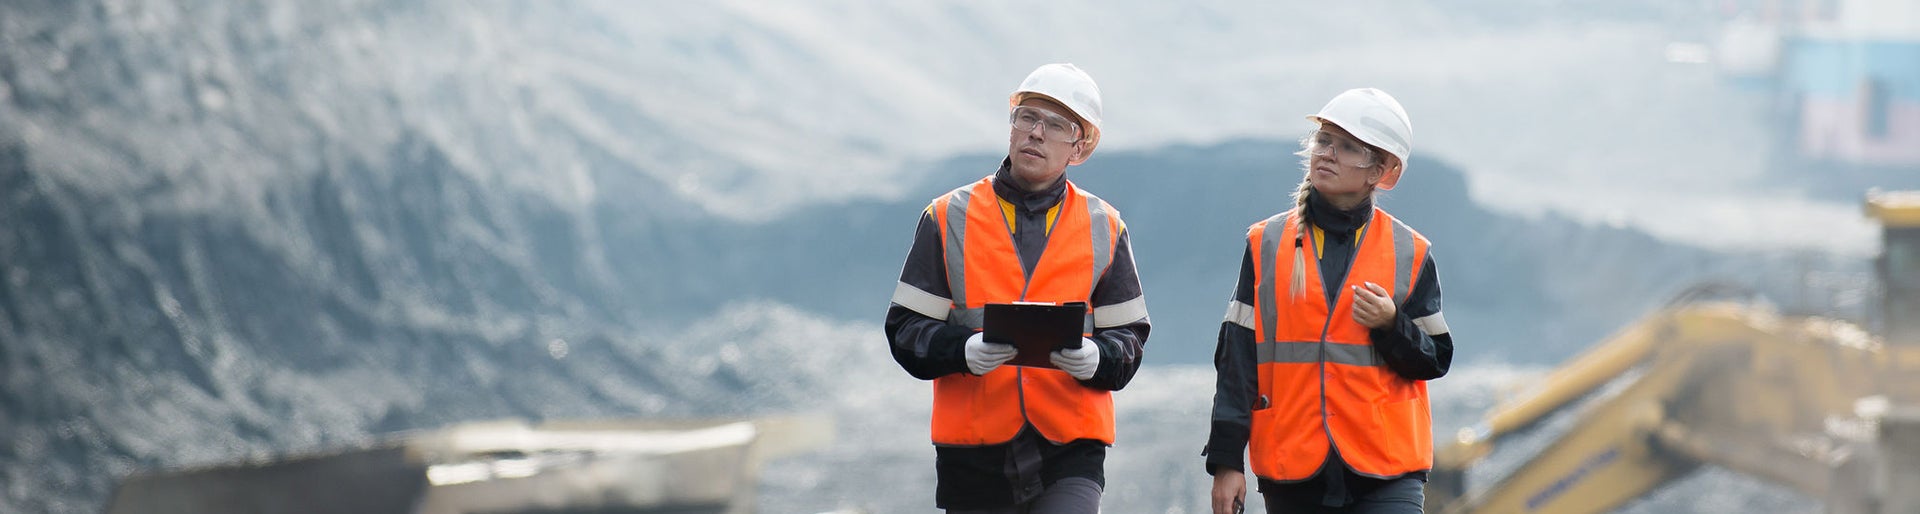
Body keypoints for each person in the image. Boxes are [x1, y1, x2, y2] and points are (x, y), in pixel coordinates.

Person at [885, 63, 1150, 514]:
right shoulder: (947, 216)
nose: (1036, 133)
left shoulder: (1105, 225)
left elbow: (1129, 339)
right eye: (1027, 117)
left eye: (1056, 125)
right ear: (1011, 127)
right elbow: (905, 329)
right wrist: (961, 350)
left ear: (1080, 148)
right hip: (972, 455)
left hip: (1070, 451)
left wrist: (1097, 359)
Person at [1204, 88, 1453, 514]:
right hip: (1293, 470)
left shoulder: (1410, 251)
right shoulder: (1265, 244)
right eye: (1324, 141)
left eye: (1348, 147)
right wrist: (1226, 462)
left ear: (1382, 170)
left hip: (1386, 472)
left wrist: (1392, 325)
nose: (1328, 154)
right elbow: (1237, 362)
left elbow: (1435, 359)